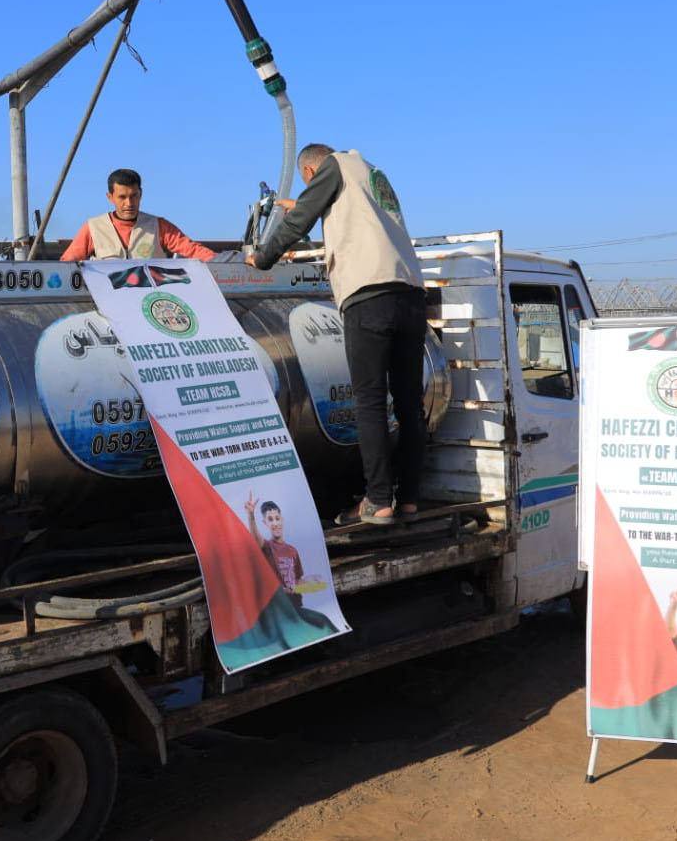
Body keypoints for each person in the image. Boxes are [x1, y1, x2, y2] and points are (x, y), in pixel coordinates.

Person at [248, 144, 426, 524]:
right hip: (410, 295)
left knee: (370, 402)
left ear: (312, 172)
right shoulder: (370, 170)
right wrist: (305, 201)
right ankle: (409, 497)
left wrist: (262, 258)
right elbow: (353, 215)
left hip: (369, 296)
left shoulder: (332, 166)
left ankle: (378, 500)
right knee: (410, 404)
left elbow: (300, 224)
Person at [60, 168, 216, 261]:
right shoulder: (93, 228)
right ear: (110, 197)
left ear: (140, 194)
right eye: (122, 197)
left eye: (134, 196)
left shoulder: (159, 226)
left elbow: (193, 250)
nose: (129, 203)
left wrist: (229, 263)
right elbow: (67, 264)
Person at [243, 491, 305, 598]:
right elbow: (256, 539)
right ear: (265, 523)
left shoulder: (293, 550)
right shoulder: (267, 547)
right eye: (270, 520)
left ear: (282, 519)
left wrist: (299, 588)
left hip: (297, 605)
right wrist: (251, 516)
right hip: (279, 606)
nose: (275, 523)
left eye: (277, 518)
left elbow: (299, 579)